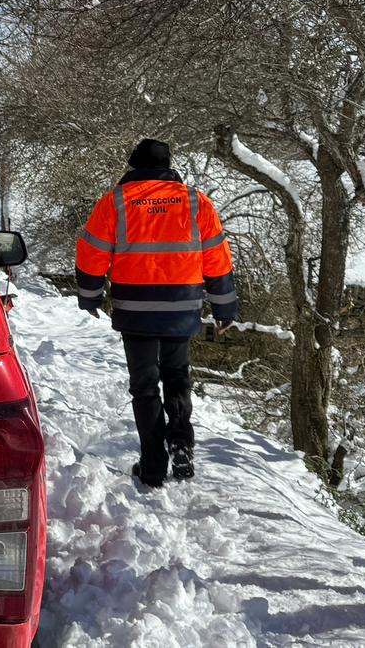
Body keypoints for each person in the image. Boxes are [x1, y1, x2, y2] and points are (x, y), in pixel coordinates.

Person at [75, 139, 239, 487]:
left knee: (145, 386)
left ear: (134, 166)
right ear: (168, 166)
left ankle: (152, 465)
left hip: (135, 310)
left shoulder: (116, 202)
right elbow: (217, 257)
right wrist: (224, 307)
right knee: (177, 376)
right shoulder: (196, 202)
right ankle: (180, 442)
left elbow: (91, 253)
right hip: (181, 307)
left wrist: (90, 297)